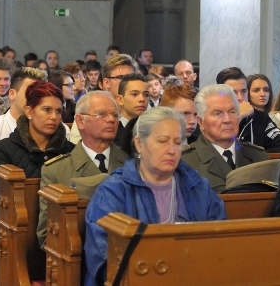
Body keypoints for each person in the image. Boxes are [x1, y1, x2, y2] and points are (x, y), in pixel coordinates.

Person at [85, 107, 226, 286]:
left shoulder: (198, 187)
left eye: (177, 142)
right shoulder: (114, 191)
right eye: (162, 141)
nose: (171, 150)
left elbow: (221, 245)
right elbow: (105, 261)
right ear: (139, 144)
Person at [0, 81, 74, 259]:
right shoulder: (5, 149)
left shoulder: (69, 151)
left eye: (58, 111)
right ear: (29, 111)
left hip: (57, 229)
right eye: (46, 110)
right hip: (5, 229)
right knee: (15, 249)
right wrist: (23, 220)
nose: (54, 117)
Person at [38, 90, 129, 248]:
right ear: (80, 121)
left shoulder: (132, 164)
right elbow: (47, 235)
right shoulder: (56, 170)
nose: (111, 120)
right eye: (101, 114)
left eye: (115, 115)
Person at [181, 84, 270, 193]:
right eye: (218, 113)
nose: (227, 120)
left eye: (232, 112)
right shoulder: (186, 161)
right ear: (201, 122)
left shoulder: (258, 156)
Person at [217, 67, 280, 153]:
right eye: (233, 92)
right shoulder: (212, 117)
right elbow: (219, 149)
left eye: (243, 91)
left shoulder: (260, 118)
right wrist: (238, 117)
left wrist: (255, 156)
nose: (240, 98)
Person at [113, 73, 149, 146]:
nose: (142, 99)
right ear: (120, 100)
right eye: (134, 94)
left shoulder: (152, 130)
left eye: (146, 95)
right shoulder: (112, 131)